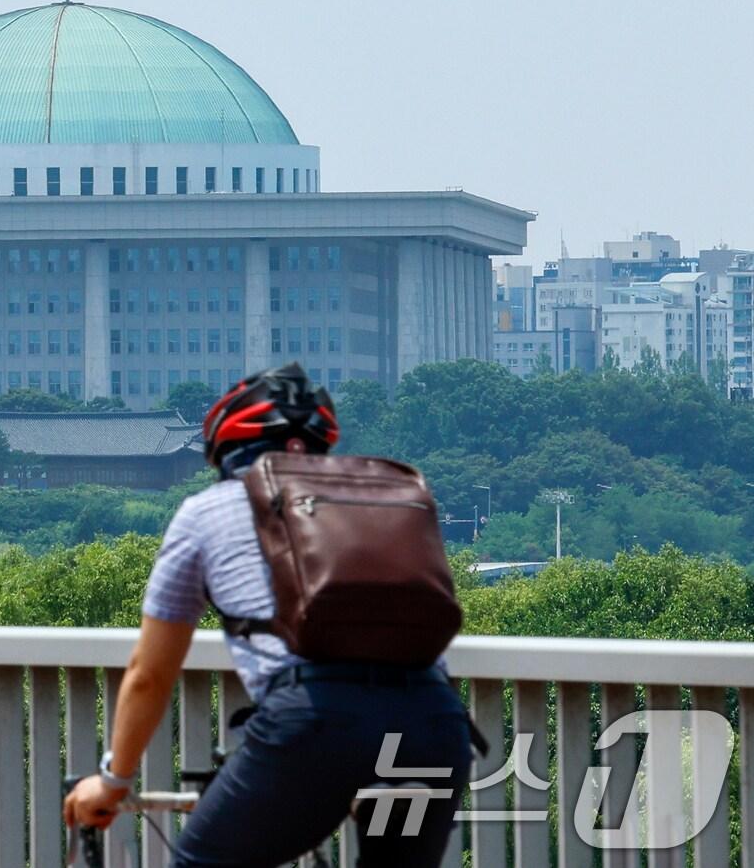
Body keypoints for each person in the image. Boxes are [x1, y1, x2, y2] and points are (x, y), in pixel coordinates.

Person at [63, 363, 472, 867]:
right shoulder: (371, 505)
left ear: (226, 450)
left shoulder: (206, 512)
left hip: (314, 729)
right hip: (430, 730)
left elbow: (149, 675)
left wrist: (113, 781)